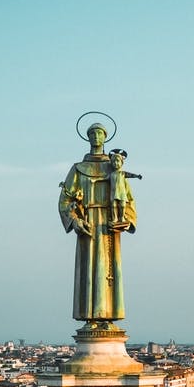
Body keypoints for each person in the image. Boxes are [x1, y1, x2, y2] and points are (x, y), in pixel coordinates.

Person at [58, 123, 138, 324]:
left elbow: (127, 198)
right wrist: (75, 221)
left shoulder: (114, 167)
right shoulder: (78, 169)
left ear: (105, 137)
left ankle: (108, 317)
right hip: (88, 224)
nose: (96, 137)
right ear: (88, 138)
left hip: (110, 225)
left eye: (99, 133)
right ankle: (90, 318)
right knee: (89, 269)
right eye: (92, 133)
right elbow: (65, 199)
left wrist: (126, 222)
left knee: (109, 270)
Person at [107, 149, 142, 227]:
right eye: (114, 162)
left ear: (121, 163)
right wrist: (94, 180)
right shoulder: (111, 174)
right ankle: (115, 218)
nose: (116, 163)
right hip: (113, 193)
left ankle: (121, 218)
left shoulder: (122, 173)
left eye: (117, 161)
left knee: (122, 205)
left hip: (121, 193)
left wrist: (137, 176)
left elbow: (130, 175)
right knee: (114, 206)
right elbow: (103, 179)